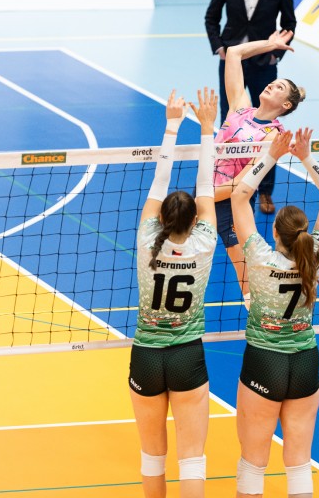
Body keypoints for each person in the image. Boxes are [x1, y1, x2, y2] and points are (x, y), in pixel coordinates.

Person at [229, 128, 319, 498]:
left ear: (274, 232)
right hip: (305, 361)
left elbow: (240, 197)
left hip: (264, 360)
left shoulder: (259, 257)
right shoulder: (315, 257)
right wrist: (305, 156)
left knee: (253, 463)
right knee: (299, 464)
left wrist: (271, 155)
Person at [129, 87, 218, 498]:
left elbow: (159, 179)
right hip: (187, 355)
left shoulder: (147, 238)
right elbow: (206, 185)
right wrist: (207, 128)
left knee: (152, 457)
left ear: (161, 217)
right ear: (196, 219)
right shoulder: (205, 242)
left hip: (147, 355)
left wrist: (172, 125)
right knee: (192, 458)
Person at [205, 0, 297, 215]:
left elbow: (289, 23)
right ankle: (221, 178)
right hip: (233, 58)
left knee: (267, 127)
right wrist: (220, 48)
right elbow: (211, 16)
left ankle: (264, 190)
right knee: (231, 120)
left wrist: (274, 55)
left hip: (263, 62)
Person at [215, 30, 305, 308]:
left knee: (247, 280)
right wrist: (270, 44)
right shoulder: (239, 108)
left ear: (286, 105)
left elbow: (242, 185)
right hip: (205, 190)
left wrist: (203, 198)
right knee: (177, 252)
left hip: (231, 201)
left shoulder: (274, 137)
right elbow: (234, 53)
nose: (271, 86)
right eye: (273, 83)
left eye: (279, 88)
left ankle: (262, 321)